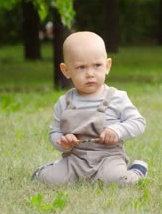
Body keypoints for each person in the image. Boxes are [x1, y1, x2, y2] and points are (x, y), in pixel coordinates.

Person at [32, 31, 147, 185]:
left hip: (109, 158)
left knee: (119, 181)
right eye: (81, 67)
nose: (90, 74)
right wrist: (61, 141)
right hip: (75, 159)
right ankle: (48, 170)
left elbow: (139, 122)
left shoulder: (117, 97)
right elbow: (54, 132)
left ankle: (137, 171)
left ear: (107, 66)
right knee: (49, 179)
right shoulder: (65, 102)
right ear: (66, 71)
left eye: (97, 65)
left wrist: (117, 131)